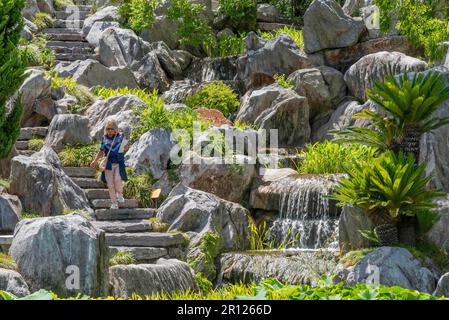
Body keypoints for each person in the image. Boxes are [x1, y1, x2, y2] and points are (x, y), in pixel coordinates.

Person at [90, 120, 129, 209]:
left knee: (117, 180)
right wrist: (95, 160)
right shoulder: (105, 138)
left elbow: (125, 147)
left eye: (112, 128)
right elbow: (101, 150)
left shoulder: (121, 136)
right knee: (110, 185)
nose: (110, 130)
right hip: (108, 164)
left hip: (119, 162)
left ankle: (119, 193)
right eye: (108, 128)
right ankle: (114, 203)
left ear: (115, 129)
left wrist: (126, 147)